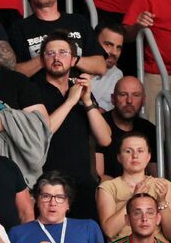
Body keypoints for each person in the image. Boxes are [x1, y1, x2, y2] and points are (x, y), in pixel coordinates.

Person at [31, 45, 113, 214]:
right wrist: (70, 101)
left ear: (73, 60)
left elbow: (105, 139)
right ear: (43, 59)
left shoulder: (80, 89)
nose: (57, 57)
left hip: (83, 183)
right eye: (51, 53)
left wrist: (87, 101)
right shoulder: (32, 89)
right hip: (48, 185)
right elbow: (41, 132)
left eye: (63, 53)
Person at [9, 0, 108, 77]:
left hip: (76, 86)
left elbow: (100, 66)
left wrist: (70, 57)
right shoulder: (19, 27)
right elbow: (13, 73)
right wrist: (46, 57)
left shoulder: (78, 21)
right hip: (38, 87)